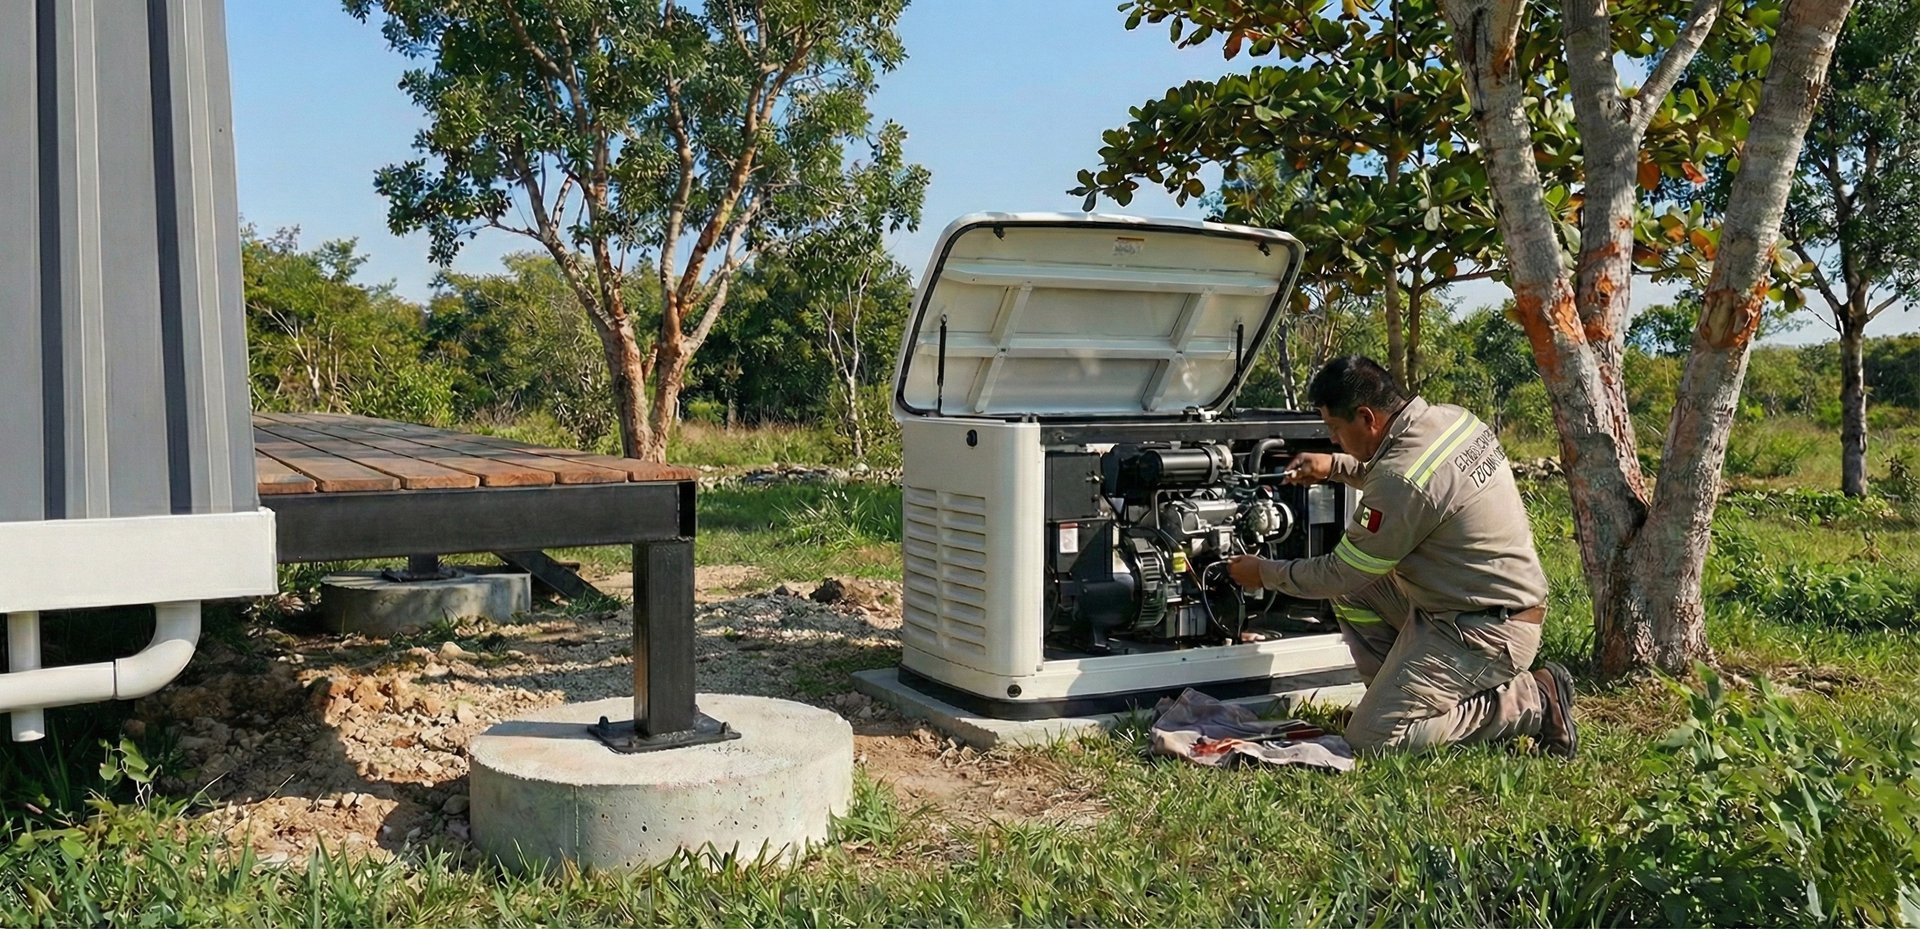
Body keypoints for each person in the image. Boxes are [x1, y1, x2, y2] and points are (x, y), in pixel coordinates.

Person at [1226, 356, 1578, 757]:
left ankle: (1532, 701)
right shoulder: (1452, 420)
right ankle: (1391, 696)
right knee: (1360, 593)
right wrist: (1333, 467)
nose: (1334, 440)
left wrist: (1265, 573)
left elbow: (1342, 570)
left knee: (1373, 740)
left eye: (1335, 430)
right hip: (1473, 605)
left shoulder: (1401, 478)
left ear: (1367, 417)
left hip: (1485, 632)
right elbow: (1414, 485)